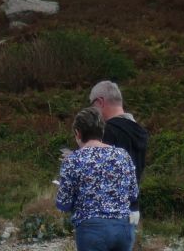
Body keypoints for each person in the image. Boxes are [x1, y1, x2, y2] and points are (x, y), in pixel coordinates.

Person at [57, 107, 138, 251]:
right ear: (102, 131)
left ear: (78, 133)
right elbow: (133, 194)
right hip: (123, 228)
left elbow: (64, 203)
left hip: (91, 230)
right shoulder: (123, 155)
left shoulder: (73, 160)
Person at [90, 81, 148, 231]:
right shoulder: (139, 131)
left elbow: (101, 174)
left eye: (92, 105)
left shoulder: (108, 131)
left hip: (110, 213)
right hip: (133, 209)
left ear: (100, 102)